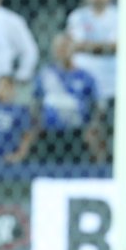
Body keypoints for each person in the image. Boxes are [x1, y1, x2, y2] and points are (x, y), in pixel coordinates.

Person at [66, 0, 117, 162]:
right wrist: (104, 47)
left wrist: (86, 46)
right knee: (88, 131)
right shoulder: (77, 16)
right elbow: (74, 44)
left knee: (112, 129)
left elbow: (118, 46)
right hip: (83, 84)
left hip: (114, 85)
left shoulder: (120, 15)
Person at [35, 33, 99, 163]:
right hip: (49, 131)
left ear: (73, 49)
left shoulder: (85, 76)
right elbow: (35, 102)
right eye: (59, 47)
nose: (62, 51)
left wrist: (92, 126)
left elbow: (96, 106)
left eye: (65, 46)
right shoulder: (45, 74)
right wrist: (38, 123)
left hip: (78, 132)